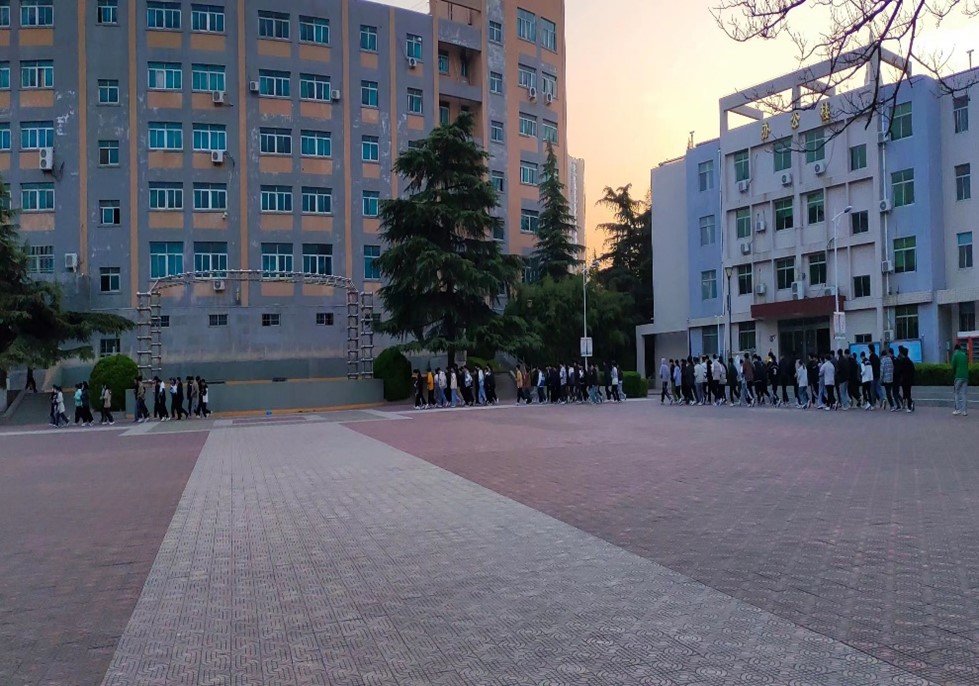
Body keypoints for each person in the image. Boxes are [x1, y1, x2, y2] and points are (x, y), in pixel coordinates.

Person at [952, 343, 969, 417]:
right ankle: (964, 411)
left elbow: (953, 366)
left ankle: (957, 409)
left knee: (956, 392)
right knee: (964, 394)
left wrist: (954, 374)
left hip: (958, 376)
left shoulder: (955, 355)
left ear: (955, 349)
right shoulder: (964, 355)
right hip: (965, 377)